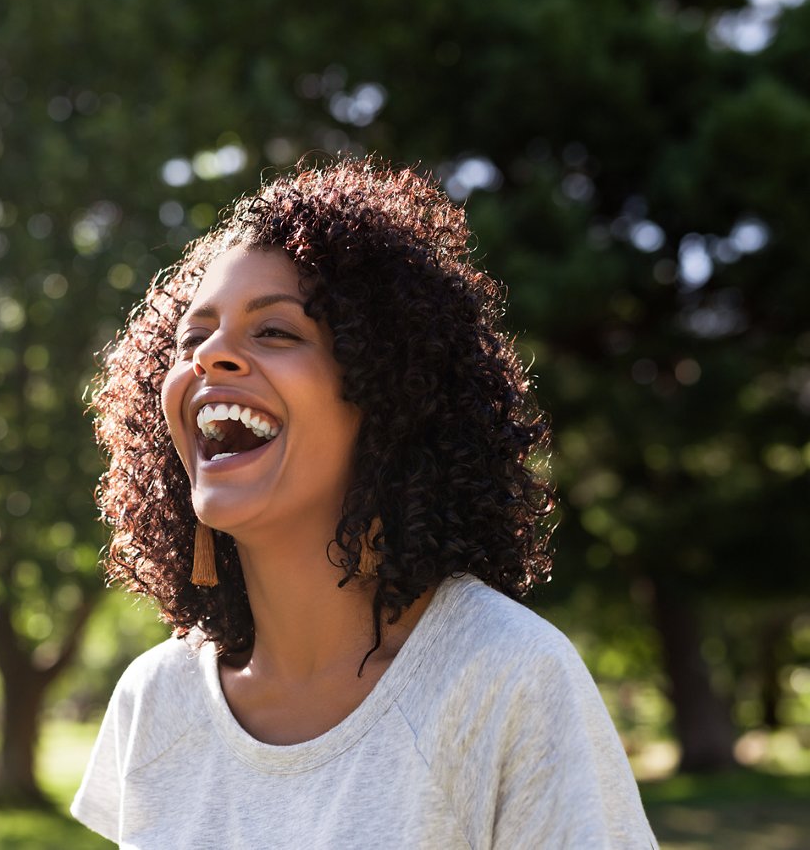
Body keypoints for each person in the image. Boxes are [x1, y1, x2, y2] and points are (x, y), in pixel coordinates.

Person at [73, 157, 657, 848]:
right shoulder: (155, 700)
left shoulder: (506, 676)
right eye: (190, 338)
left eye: (276, 331)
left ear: (386, 397)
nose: (209, 358)